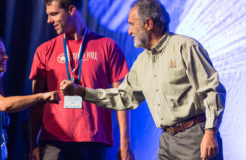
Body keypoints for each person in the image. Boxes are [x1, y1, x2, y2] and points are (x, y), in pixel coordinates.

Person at [60, 0, 226, 160]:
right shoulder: (142, 62)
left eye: (132, 24)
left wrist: (210, 131)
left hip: (195, 136)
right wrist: (82, 92)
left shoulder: (185, 47)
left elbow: (213, 90)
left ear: (148, 24)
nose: (129, 31)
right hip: (167, 141)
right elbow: (124, 97)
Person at [29, 0, 134, 159]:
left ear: (71, 10)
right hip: (53, 142)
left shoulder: (108, 47)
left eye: (54, 14)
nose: (49, 20)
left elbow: (121, 98)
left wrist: (125, 143)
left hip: (93, 141)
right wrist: (32, 144)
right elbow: (36, 103)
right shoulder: (44, 51)